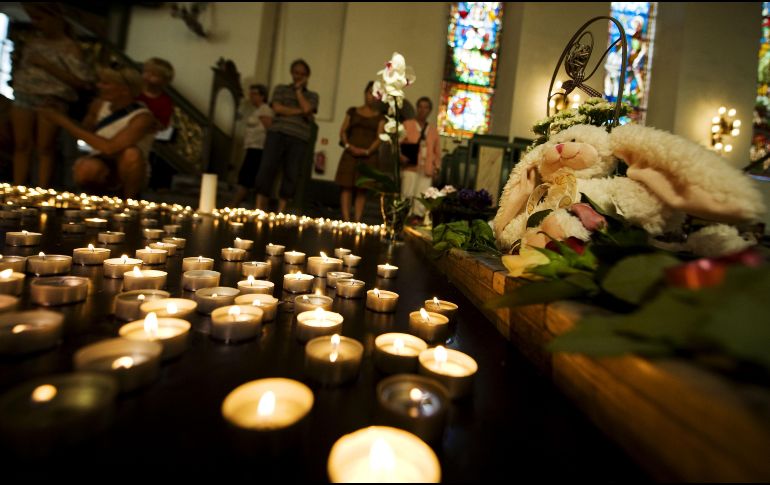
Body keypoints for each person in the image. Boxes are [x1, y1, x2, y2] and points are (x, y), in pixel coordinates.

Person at [38, 64, 156, 199]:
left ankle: (128, 202)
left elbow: (110, 147)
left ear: (124, 90)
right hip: (100, 161)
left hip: (129, 169)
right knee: (86, 167)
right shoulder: (99, 105)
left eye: (106, 83)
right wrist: (61, 112)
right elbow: (84, 133)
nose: (99, 86)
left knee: (131, 154)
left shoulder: (142, 117)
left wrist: (62, 121)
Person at [10, 3, 94, 188]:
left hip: (52, 99)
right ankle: (18, 186)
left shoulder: (70, 47)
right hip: (24, 94)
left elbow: (83, 82)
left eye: (40, 19)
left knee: (45, 148)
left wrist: (47, 65)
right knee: (21, 145)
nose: (36, 24)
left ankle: (41, 188)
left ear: (55, 18)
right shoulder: (33, 42)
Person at [255, 59, 319, 213]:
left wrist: (298, 92)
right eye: (296, 73)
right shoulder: (280, 89)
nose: (298, 76)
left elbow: (307, 107)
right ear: (291, 73)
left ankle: (281, 210)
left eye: (302, 74)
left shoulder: (312, 95)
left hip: (299, 137)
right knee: (267, 168)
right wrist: (302, 112)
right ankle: (259, 207)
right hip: (277, 133)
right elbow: (277, 108)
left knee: (292, 172)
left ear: (307, 76)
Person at [335, 81, 384, 222]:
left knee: (362, 188)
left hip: (368, 156)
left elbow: (379, 137)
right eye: (370, 92)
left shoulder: (380, 117)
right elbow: (343, 131)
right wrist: (349, 146)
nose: (372, 96)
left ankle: (357, 220)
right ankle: (346, 219)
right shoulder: (352, 111)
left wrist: (367, 151)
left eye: (376, 94)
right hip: (350, 154)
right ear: (365, 93)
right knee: (346, 186)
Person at [230, 84, 274, 208]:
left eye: (254, 94)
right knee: (245, 176)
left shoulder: (264, 109)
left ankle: (234, 204)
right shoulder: (257, 110)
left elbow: (269, 128)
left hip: (258, 148)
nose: (251, 96)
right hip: (252, 147)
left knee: (247, 177)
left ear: (262, 96)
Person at [400, 96, 441, 218]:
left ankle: (416, 221)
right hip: (411, 166)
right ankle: (403, 221)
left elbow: (437, 152)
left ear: (430, 110)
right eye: (420, 107)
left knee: (421, 198)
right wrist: (401, 157)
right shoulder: (407, 125)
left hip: (426, 169)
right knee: (407, 194)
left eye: (426, 107)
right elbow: (398, 144)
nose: (423, 110)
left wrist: (437, 168)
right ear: (417, 108)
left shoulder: (433, 130)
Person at [138, 57, 175, 131]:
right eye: (146, 72)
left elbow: (162, 125)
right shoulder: (134, 89)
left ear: (164, 81)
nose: (148, 76)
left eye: (154, 74)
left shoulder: (165, 102)